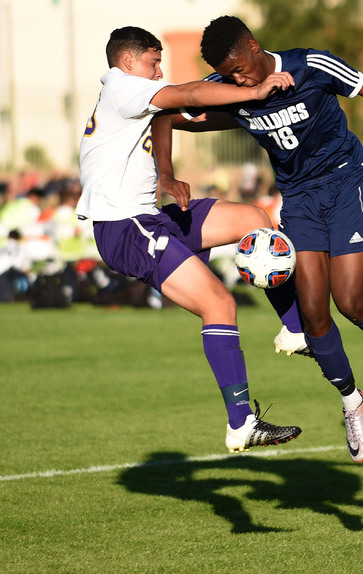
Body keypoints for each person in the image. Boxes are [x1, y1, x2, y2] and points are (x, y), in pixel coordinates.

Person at [152, 15, 363, 463]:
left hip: (346, 180)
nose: (238, 79)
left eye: (240, 68)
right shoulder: (235, 91)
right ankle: (351, 400)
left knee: (349, 300)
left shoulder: (311, 66)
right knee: (310, 311)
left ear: (253, 44)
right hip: (300, 198)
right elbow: (169, 113)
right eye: (228, 76)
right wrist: (165, 173)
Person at [77, 26, 302, 453]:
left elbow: (169, 118)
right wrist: (253, 95)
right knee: (219, 304)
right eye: (153, 62)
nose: (159, 71)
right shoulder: (123, 86)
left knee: (255, 217)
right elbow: (192, 96)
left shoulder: (130, 94)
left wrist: (164, 174)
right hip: (127, 228)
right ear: (128, 62)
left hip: (148, 218)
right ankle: (241, 424)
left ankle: (294, 330)